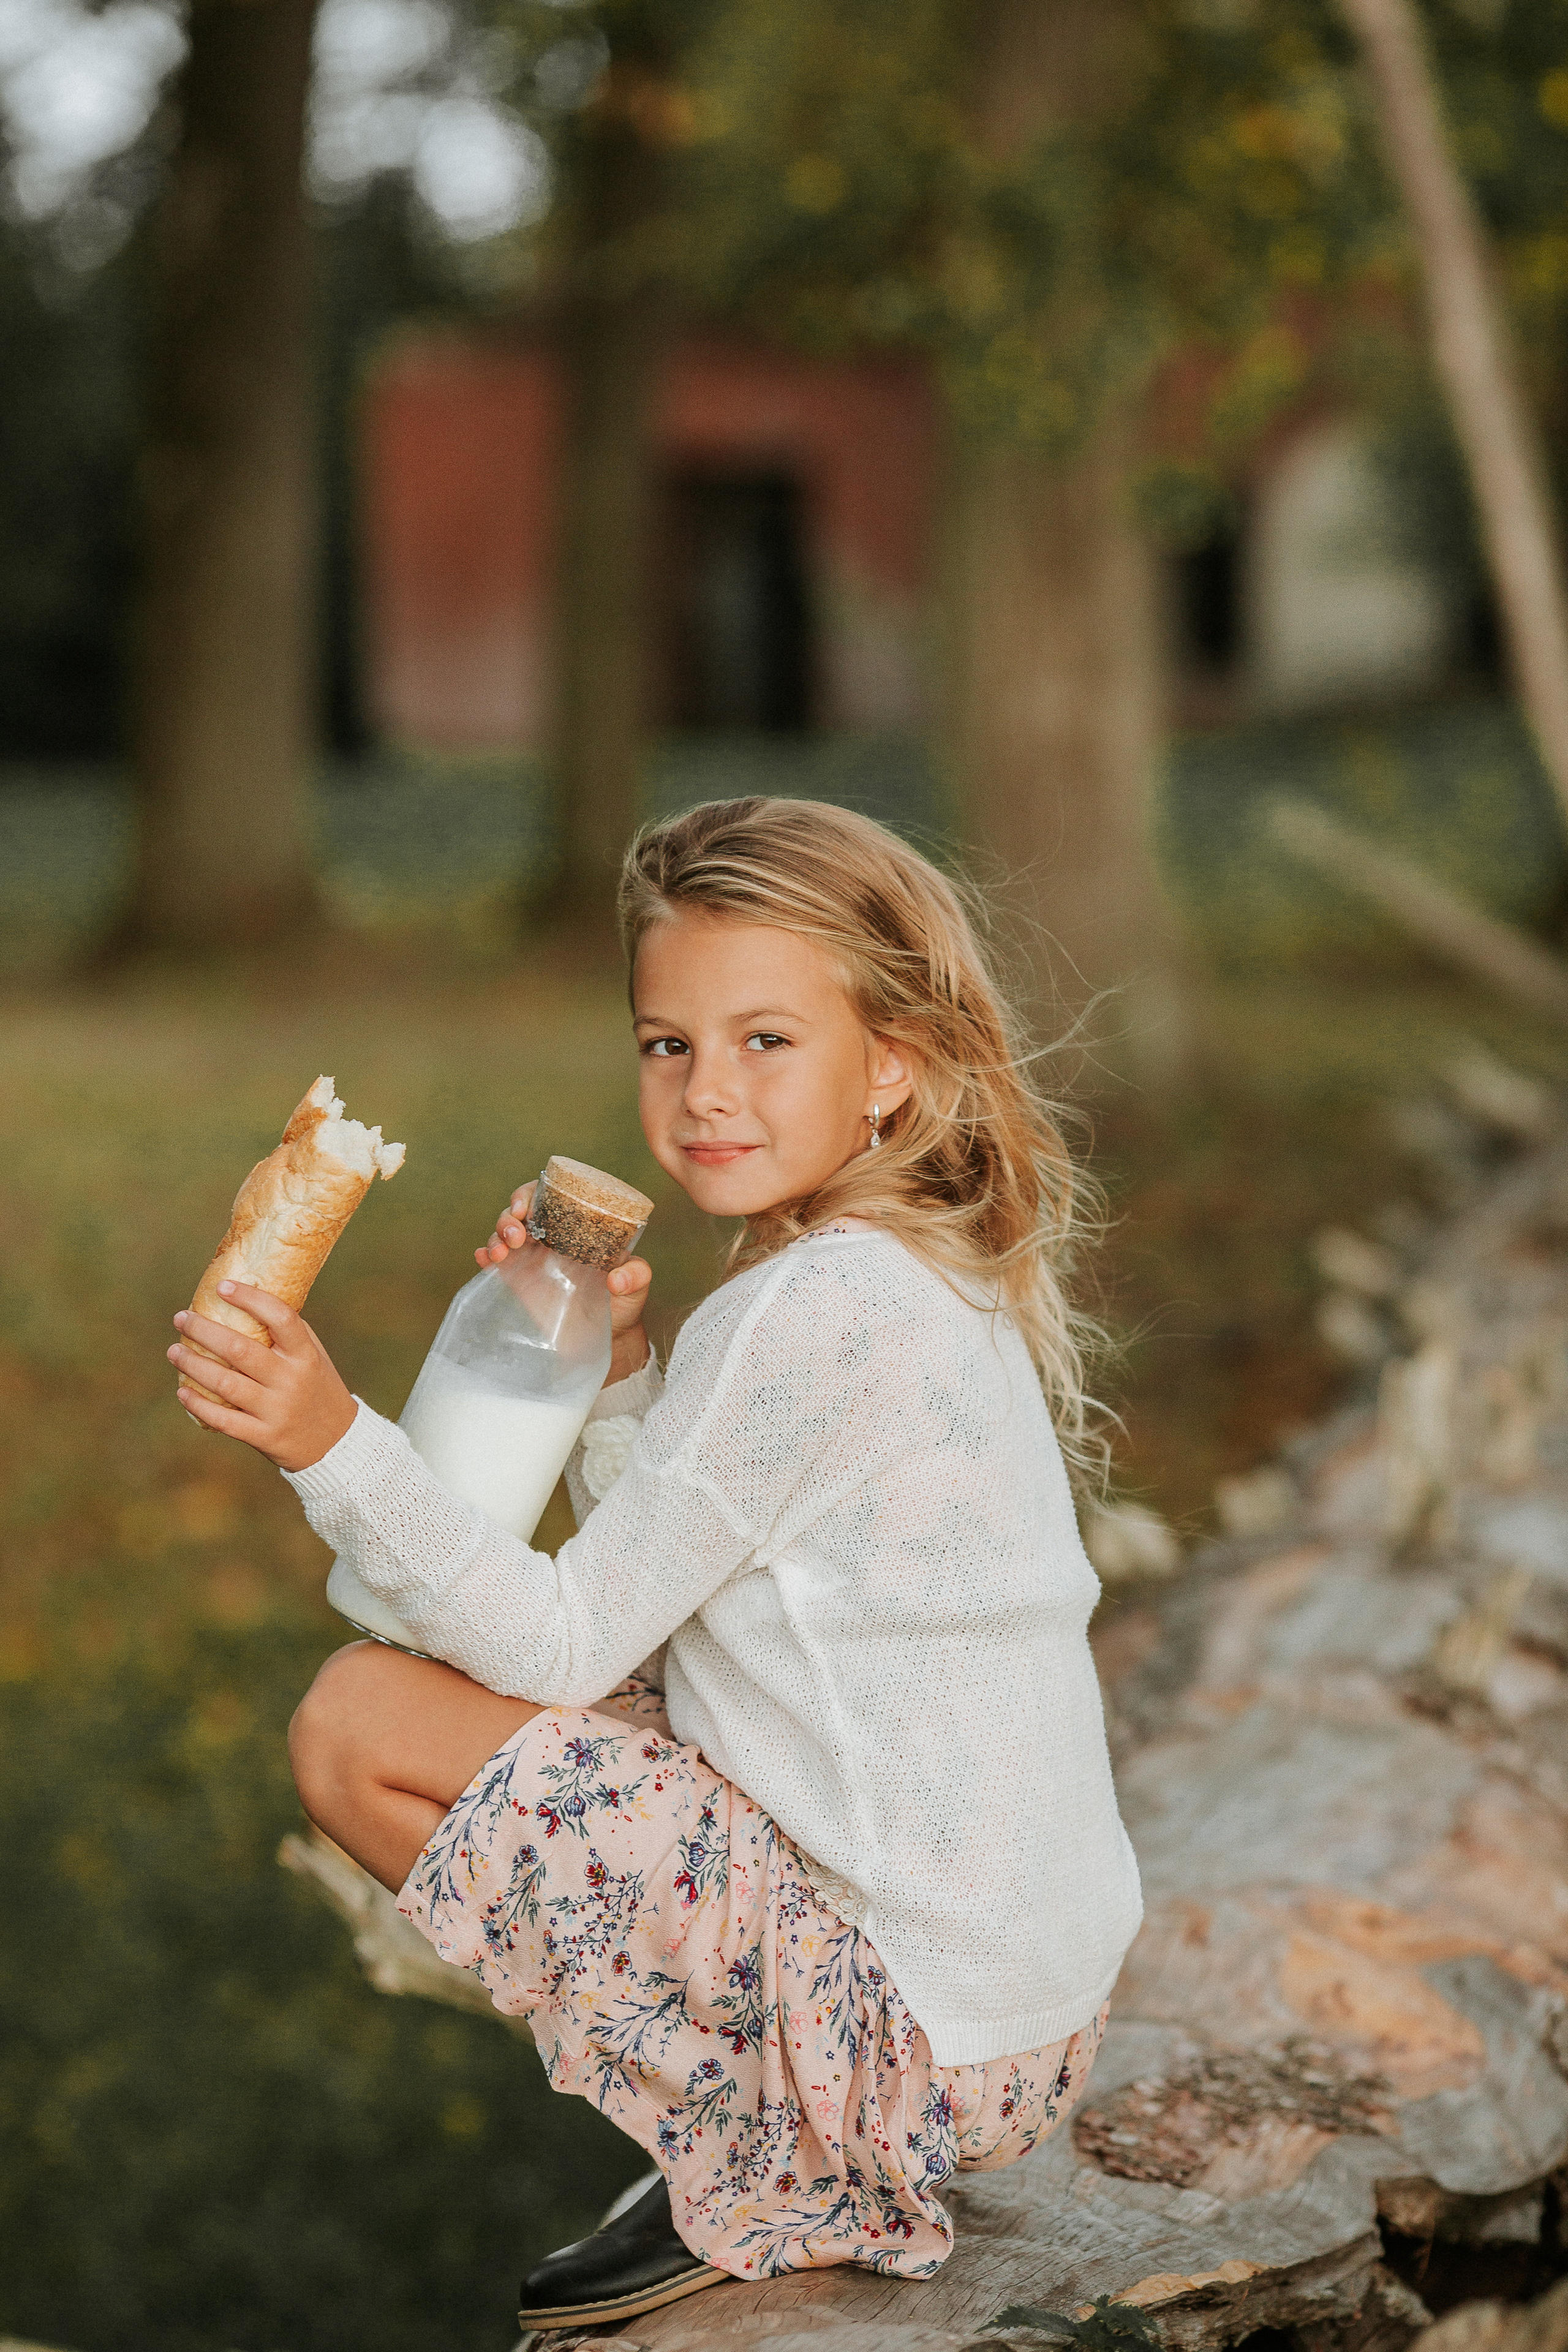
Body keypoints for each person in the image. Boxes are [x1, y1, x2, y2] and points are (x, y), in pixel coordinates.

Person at [167, 797, 1144, 2332]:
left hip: (908, 2038)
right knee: (497, 1687)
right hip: (1020, 2019)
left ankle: (776, 2152)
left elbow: (560, 1646)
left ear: (890, 1058)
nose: (703, 1094)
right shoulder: (905, 1274)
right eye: (665, 1044)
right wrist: (622, 1366)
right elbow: (697, 1593)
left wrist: (331, 1439)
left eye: (765, 1041)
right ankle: (772, 2121)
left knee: (360, 1721)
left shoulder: (806, 1311)